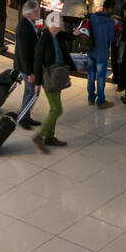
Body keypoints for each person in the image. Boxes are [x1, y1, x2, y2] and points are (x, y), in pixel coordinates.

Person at [32, 12, 74, 152]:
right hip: (49, 77)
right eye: (61, 21)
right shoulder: (44, 39)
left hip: (58, 75)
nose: (63, 23)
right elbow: (37, 62)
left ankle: (49, 138)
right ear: (54, 24)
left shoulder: (57, 35)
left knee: (54, 108)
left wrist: (77, 33)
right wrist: (37, 83)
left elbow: (69, 36)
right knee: (57, 109)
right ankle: (40, 136)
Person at [14, 0, 42, 130]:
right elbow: (24, 52)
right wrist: (30, 72)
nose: (38, 13)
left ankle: (26, 116)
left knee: (29, 91)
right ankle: (23, 118)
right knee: (33, 92)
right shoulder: (24, 27)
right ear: (29, 12)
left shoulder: (31, 23)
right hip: (27, 67)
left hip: (30, 65)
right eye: (36, 11)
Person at [87, 0, 117, 109]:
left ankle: (90, 98)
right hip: (102, 52)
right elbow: (111, 38)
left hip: (91, 50)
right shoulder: (110, 22)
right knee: (100, 77)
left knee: (91, 74)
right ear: (110, 8)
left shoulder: (93, 16)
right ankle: (101, 101)